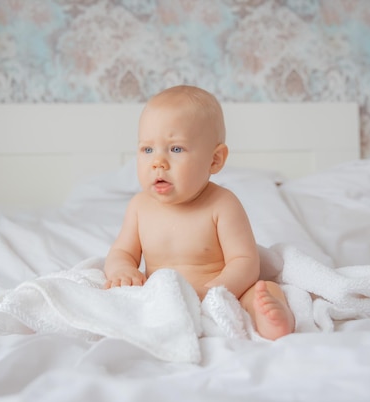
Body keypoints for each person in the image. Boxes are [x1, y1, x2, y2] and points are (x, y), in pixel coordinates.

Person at [104, 85, 294, 340]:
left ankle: (271, 315)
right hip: (164, 299)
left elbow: (245, 262)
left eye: (176, 149)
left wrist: (215, 290)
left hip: (220, 294)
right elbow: (122, 252)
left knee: (262, 289)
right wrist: (121, 271)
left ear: (215, 160)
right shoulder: (140, 207)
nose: (158, 162)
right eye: (147, 149)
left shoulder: (222, 204)